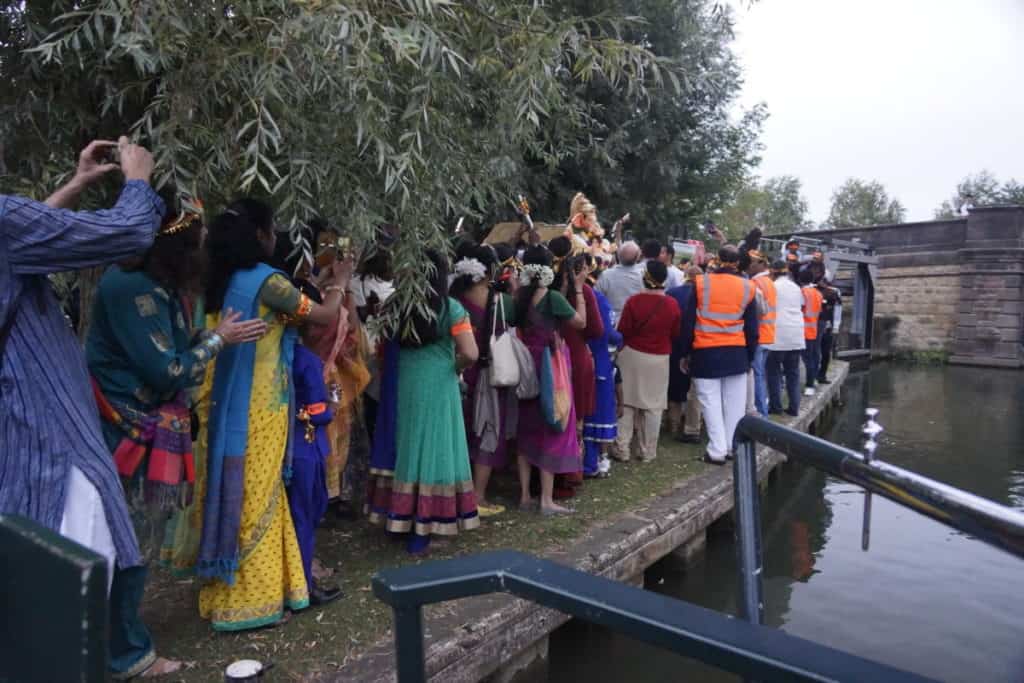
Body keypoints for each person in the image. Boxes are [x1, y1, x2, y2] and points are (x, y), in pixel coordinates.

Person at [0, 138, 189, 678]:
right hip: (41, 404)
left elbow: (23, 238)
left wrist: (75, 186)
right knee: (81, 528)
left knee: (46, 522)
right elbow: (125, 233)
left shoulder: (9, 226)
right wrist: (137, 181)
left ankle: (105, 652)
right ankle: (85, 656)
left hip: (21, 404)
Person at [192, 198, 350, 631]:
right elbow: (320, 316)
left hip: (222, 400)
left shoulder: (216, 280)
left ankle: (228, 590)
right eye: (272, 228)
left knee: (231, 490)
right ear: (258, 235)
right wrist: (339, 282)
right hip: (260, 405)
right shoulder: (265, 280)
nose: (276, 236)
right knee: (258, 496)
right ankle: (251, 602)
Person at [366, 251, 480, 554]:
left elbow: (382, 346)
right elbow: (471, 353)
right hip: (438, 383)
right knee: (436, 449)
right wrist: (452, 368)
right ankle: (429, 525)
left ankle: (400, 521)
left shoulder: (394, 305)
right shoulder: (451, 308)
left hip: (402, 384)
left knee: (406, 445)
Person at [514, 245, 587, 516]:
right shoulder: (553, 297)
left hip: (524, 365)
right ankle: (546, 499)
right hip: (551, 366)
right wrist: (578, 290)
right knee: (553, 423)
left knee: (526, 428)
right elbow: (580, 323)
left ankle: (524, 496)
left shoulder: (518, 296)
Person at [287, 289, 343, 605]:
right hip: (307, 447)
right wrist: (330, 408)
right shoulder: (306, 360)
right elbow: (315, 411)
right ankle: (304, 586)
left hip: (285, 447)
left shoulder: (276, 357)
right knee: (305, 520)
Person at [450, 245, 515, 516]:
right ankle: (478, 495)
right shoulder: (497, 299)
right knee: (487, 431)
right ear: (490, 271)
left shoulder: (452, 297)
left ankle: (453, 492)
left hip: (455, 373)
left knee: (460, 432)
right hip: (486, 372)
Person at [679, 245, 758, 465]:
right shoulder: (748, 287)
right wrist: (750, 357)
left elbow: (688, 322)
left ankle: (716, 450)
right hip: (736, 352)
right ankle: (732, 446)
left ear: (718, 259)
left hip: (706, 352)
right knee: (735, 403)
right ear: (737, 262)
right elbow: (752, 329)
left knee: (710, 402)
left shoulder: (701, 283)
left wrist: (685, 352)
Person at [549, 236, 603, 498]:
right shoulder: (584, 293)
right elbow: (595, 329)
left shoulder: (547, 290)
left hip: (551, 355)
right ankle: (571, 473)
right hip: (576, 355)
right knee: (575, 418)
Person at [614, 261, 681, 463]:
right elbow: (675, 333)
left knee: (626, 403)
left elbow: (623, 330)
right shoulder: (672, 304)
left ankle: (622, 447)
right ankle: (647, 450)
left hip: (632, 355)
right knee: (653, 406)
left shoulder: (634, 302)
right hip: (659, 357)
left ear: (646, 278)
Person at [582, 255, 621, 478]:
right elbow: (607, 333)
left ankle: (584, 462)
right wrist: (621, 337)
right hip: (598, 361)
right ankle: (595, 461)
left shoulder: (563, 295)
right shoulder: (597, 299)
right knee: (598, 412)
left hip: (573, 359)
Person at [765, 261, 805, 417]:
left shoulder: (772, 286)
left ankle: (776, 406)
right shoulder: (796, 288)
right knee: (793, 374)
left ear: (773, 272)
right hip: (795, 336)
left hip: (777, 336)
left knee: (773, 373)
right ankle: (794, 408)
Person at [666, 264, 700, 443]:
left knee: (675, 386)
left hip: (677, 344)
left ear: (685, 275)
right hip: (699, 344)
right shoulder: (705, 295)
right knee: (696, 388)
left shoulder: (672, 293)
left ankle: (673, 423)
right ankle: (694, 423)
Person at [746, 250, 776, 416]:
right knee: (760, 375)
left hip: (759, 335)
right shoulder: (769, 282)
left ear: (763, 264)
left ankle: (761, 415)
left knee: (756, 377)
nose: (750, 265)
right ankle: (763, 410)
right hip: (768, 335)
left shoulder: (756, 283)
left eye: (754, 262)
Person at [595, 240, 643, 324]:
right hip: (635, 323)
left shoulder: (606, 275)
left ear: (618, 255)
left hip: (609, 322)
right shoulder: (644, 277)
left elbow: (596, 299)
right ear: (638, 257)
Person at [799, 268, 823, 397]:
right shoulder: (818, 293)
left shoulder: (802, 292)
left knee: (806, 359)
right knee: (812, 357)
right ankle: (812, 380)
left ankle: (809, 385)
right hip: (813, 329)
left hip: (802, 330)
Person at [816, 280, 841, 384]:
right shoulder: (812, 290)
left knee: (825, 352)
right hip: (816, 326)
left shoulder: (834, 292)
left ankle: (821, 375)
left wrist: (836, 326)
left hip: (827, 326)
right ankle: (817, 375)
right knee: (817, 352)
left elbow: (838, 309)